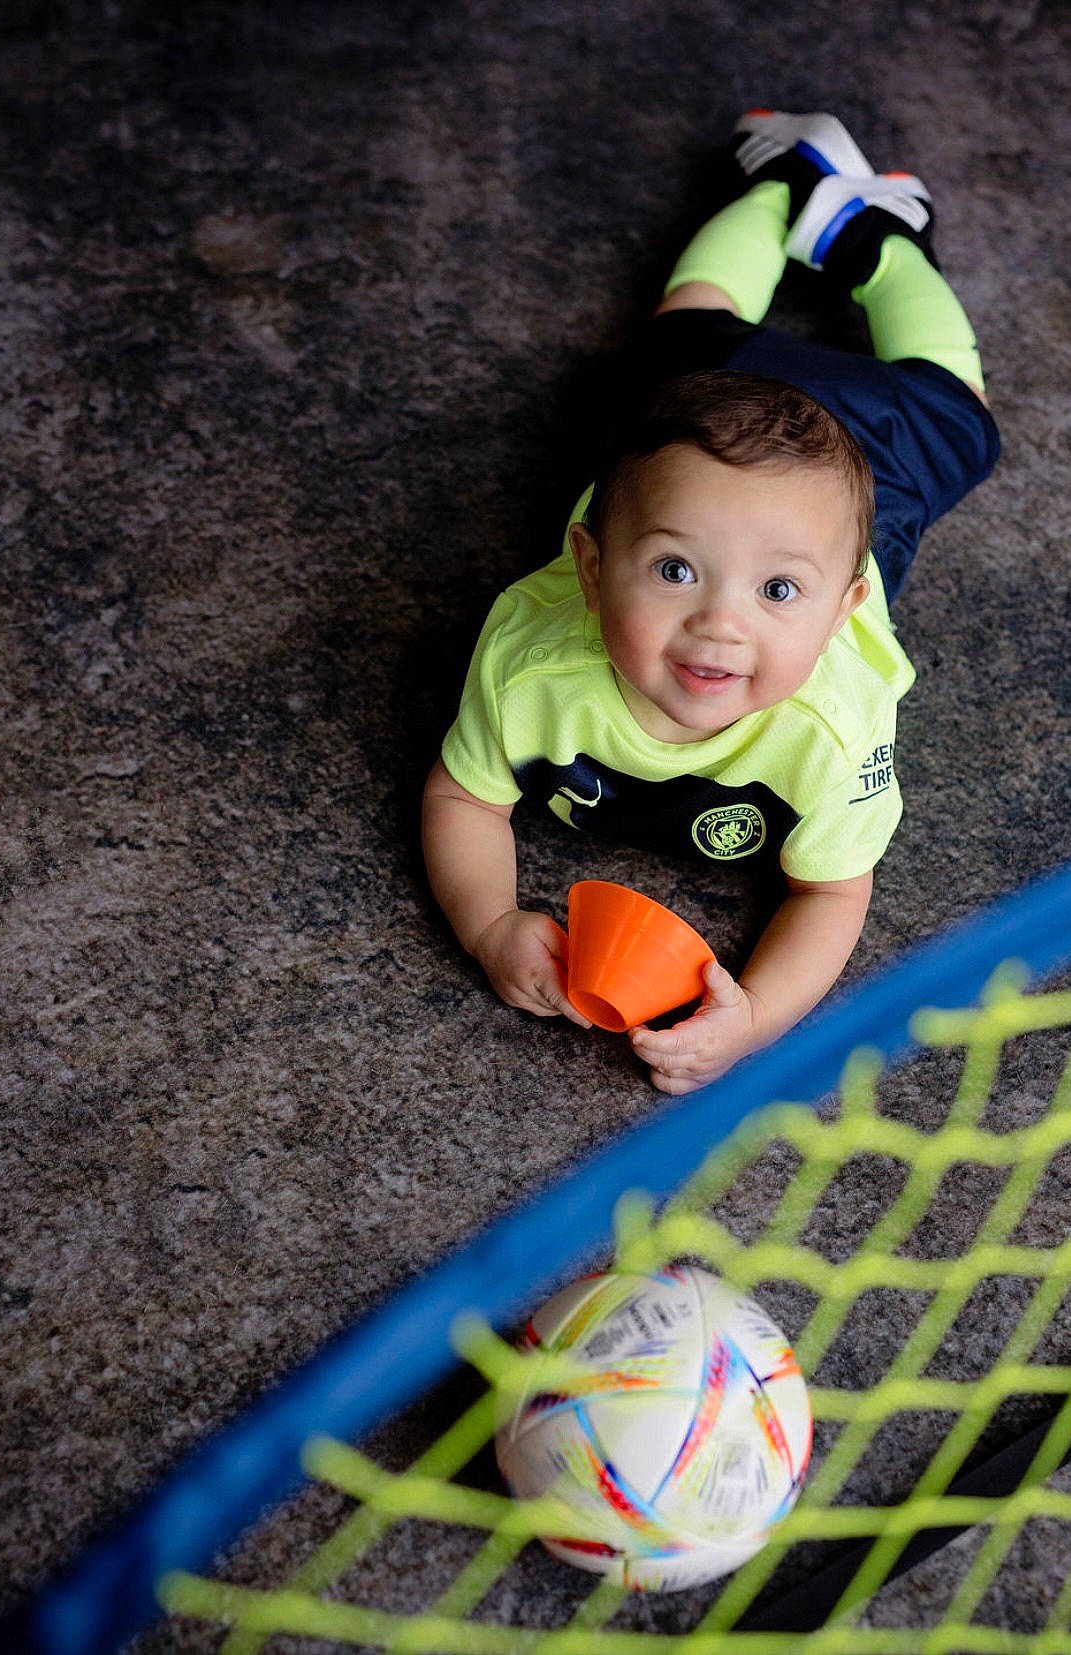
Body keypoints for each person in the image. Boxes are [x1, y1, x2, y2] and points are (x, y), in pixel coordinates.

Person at [422, 109, 1000, 1094]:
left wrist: (754, 1020)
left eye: (779, 593)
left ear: (842, 608)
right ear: (593, 565)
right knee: (681, 336)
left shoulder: (832, 721)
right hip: (700, 412)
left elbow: (831, 888)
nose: (722, 624)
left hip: (863, 465)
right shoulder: (533, 660)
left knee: (952, 410)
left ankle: (879, 241)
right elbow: (460, 795)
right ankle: (779, 187)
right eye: (676, 571)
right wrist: (487, 924)